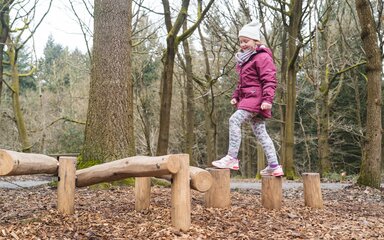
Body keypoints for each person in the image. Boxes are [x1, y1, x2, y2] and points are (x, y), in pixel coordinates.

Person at [212, 21, 284, 177]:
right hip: (251, 98)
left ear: (256, 41)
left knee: (234, 120)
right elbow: (243, 82)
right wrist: (235, 96)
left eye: (246, 41)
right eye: (241, 41)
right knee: (261, 133)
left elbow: (269, 80)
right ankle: (274, 165)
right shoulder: (246, 60)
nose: (243, 44)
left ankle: (231, 158)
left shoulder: (262, 57)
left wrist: (267, 100)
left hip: (256, 99)